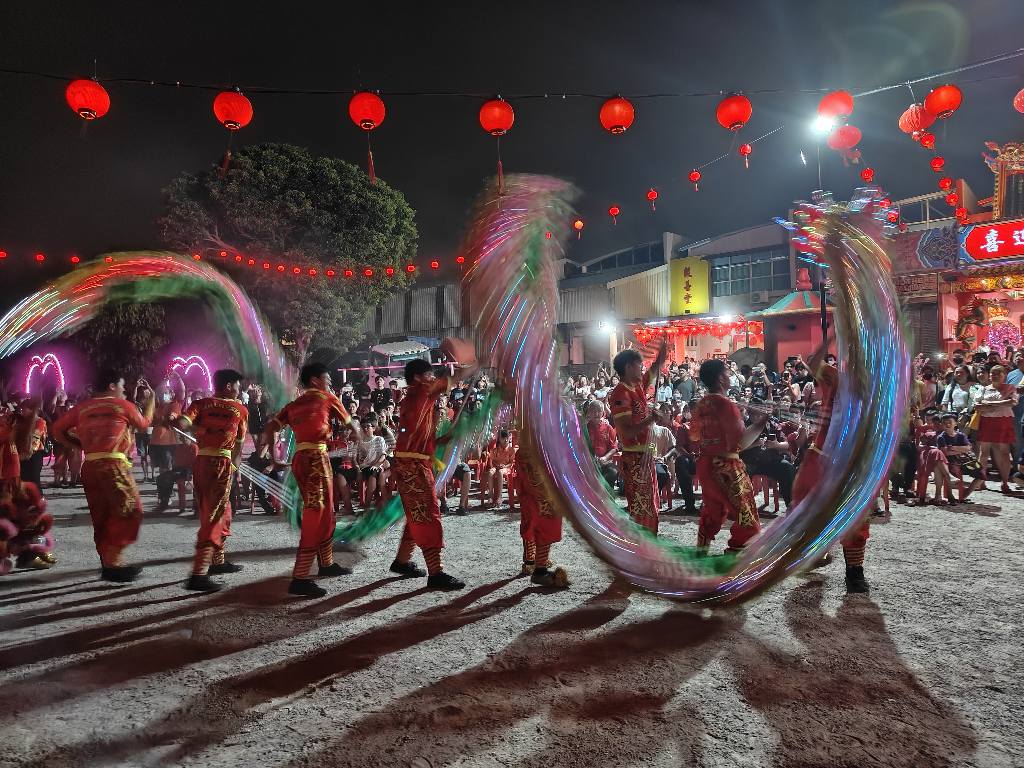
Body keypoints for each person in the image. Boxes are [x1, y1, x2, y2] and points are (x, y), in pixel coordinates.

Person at [265, 362, 358, 598]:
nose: (330, 383)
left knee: (323, 511)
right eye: (327, 378)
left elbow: (270, 428)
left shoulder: (294, 405)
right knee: (317, 514)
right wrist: (359, 439)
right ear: (316, 381)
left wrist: (275, 458)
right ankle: (300, 577)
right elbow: (351, 425)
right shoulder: (327, 398)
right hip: (317, 459)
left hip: (300, 459)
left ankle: (326, 563)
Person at [52, 369, 154, 582]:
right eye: (122, 386)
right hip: (113, 465)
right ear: (111, 386)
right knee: (131, 510)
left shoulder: (82, 408)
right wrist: (151, 400)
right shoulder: (123, 406)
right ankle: (113, 562)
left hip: (90, 465)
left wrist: (78, 445)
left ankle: (108, 564)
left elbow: (57, 429)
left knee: (102, 516)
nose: (124, 391)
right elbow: (144, 425)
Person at [390, 347, 478, 590]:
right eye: (429, 375)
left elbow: (415, 436)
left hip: (410, 463)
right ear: (418, 378)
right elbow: (453, 379)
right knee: (428, 512)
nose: (433, 378)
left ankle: (402, 561)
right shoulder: (422, 390)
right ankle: (436, 573)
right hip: (414, 467)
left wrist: (439, 440)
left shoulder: (412, 399)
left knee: (417, 513)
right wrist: (476, 364)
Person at [789, 337, 871, 592]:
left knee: (856, 518)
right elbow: (813, 362)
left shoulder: (878, 391)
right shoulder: (836, 378)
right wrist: (831, 338)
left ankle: (854, 573)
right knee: (808, 508)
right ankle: (813, 552)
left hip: (853, 463)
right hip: (824, 456)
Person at [177, 369, 248, 592]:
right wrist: (234, 465)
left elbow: (183, 423)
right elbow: (239, 444)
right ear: (228, 386)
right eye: (237, 385)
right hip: (220, 465)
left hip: (203, 464)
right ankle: (198, 574)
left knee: (220, 511)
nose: (239, 389)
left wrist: (180, 422)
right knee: (214, 516)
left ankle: (218, 562)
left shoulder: (201, 404)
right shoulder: (239, 409)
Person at [690, 359, 767, 554]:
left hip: (706, 464)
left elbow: (694, 436)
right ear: (720, 378)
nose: (730, 376)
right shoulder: (726, 404)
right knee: (746, 514)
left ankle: (701, 553)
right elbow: (740, 442)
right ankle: (734, 558)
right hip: (725, 466)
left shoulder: (701, 404)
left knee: (713, 510)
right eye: (727, 373)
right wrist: (761, 423)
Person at [609, 342, 669, 533]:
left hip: (646, 455)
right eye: (639, 365)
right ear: (628, 367)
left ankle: (648, 545)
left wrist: (662, 355)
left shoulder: (637, 386)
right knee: (642, 508)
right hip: (635, 458)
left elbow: (654, 370)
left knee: (651, 505)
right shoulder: (620, 393)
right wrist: (650, 420)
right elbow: (626, 432)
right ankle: (642, 547)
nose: (642, 368)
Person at [514, 434, 568, 588]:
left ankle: (536, 563)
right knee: (543, 521)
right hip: (538, 468)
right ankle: (537, 566)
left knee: (538, 521)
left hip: (537, 465)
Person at [971, 364, 1018, 494]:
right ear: (990, 375)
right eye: (993, 373)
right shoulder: (983, 389)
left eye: (999, 373)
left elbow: (1012, 402)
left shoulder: (1010, 388)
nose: (995, 376)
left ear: (1004, 375)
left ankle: (1005, 482)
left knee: (1004, 452)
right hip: (987, 422)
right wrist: (1001, 404)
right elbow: (977, 406)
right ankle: (981, 480)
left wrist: (990, 404)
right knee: (983, 452)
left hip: (1003, 421)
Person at [584, 401, 619, 489]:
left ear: (603, 413)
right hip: (587, 462)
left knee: (613, 472)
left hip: (604, 462)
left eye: (599, 411)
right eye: (594, 411)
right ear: (589, 412)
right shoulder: (584, 428)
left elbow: (614, 447)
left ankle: (607, 495)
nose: (596, 414)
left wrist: (605, 457)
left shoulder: (608, 428)